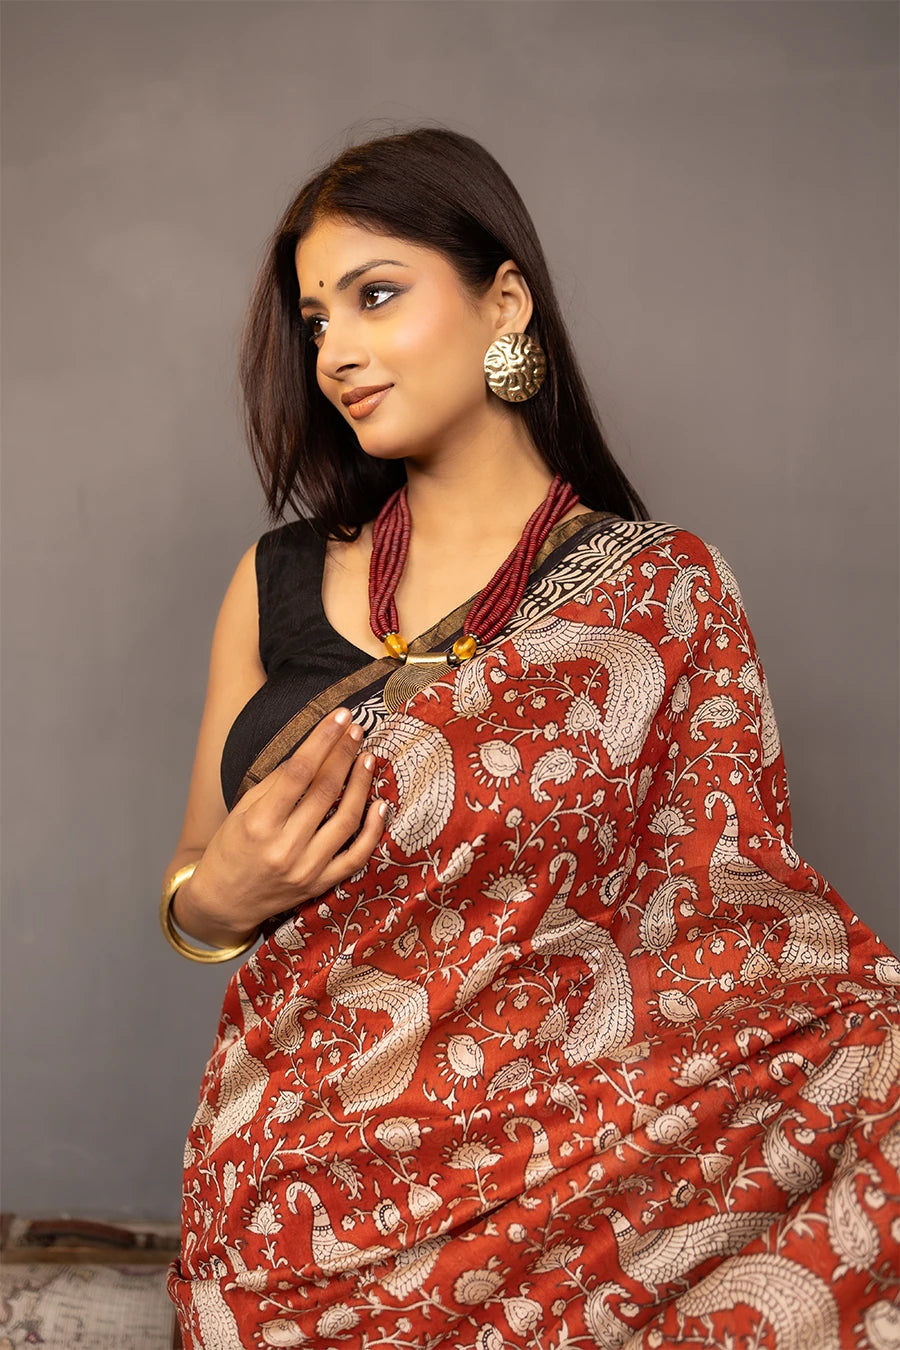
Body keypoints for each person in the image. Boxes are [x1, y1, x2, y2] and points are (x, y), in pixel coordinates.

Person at [162, 127, 900, 1350]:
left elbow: (730, 929)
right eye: (313, 320)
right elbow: (195, 891)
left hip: (576, 1187)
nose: (336, 349)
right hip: (287, 1198)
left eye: (375, 296)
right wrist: (218, 898)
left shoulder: (661, 595)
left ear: (504, 297)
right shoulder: (273, 579)